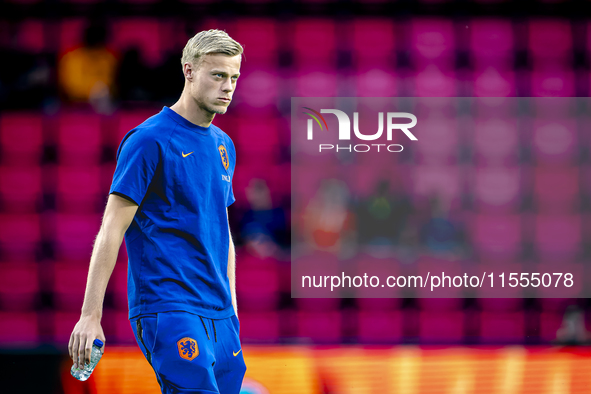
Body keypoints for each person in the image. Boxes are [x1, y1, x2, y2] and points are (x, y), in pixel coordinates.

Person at [68, 29, 246, 393]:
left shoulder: (224, 145)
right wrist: (90, 314)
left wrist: (232, 308)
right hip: (170, 305)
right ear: (189, 71)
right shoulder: (148, 139)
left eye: (233, 78)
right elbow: (111, 229)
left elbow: (222, 233)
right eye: (217, 75)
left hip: (220, 312)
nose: (227, 87)